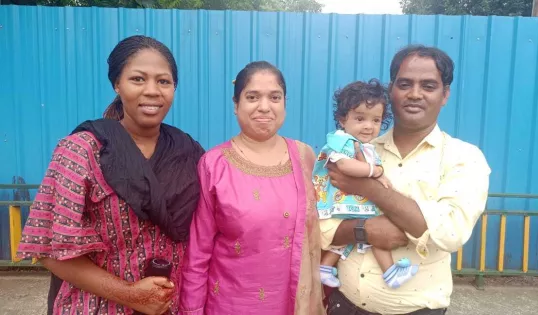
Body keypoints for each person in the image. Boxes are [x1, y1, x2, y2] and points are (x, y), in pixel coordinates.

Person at [16, 35, 204, 315]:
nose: (152, 91)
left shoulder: (190, 153)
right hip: (94, 307)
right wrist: (130, 294)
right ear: (117, 84)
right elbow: (48, 250)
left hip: (169, 307)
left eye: (163, 81)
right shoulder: (82, 151)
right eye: (138, 79)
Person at [321, 45, 491, 315]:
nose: (414, 94)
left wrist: (368, 188)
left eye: (428, 85)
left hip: (417, 310)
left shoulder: (464, 157)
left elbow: (449, 232)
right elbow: (321, 221)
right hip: (343, 304)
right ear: (391, 90)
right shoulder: (358, 150)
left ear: (445, 94)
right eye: (404, 84)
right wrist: (362, 230)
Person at [179, 61, 325, 315]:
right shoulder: (215, 164)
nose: (264, 107)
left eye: (274, 97)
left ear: (285, 103)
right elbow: (198, 250)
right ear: (236, 105)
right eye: (253, 97)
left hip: (296, 304)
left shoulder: (305, 157)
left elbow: (321, 233)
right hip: (230, 305)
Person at [313, 79, 418, 290]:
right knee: (376, 230)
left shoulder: (363, 145)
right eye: (360, 118)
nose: (369, 126)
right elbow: (345, 166)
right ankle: (390, 272)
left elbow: (372, 172)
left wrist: (381, 179)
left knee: (353, 237)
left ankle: (325, 268)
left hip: (349, 200)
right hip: (338, 200)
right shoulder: (341, 140)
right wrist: (375, 171)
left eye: (376, 120)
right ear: (343, 119)